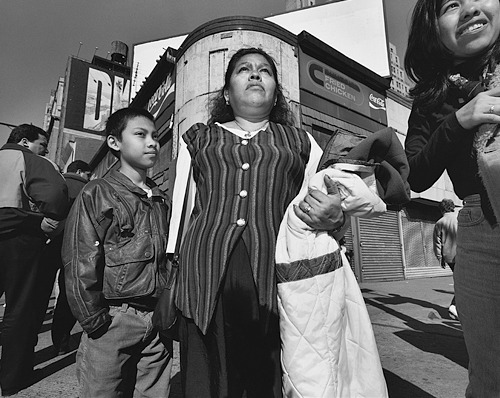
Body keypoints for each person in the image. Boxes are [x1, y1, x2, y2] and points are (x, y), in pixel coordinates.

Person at [168, 47, 344, 397]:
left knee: (268, 373)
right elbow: (182, 211)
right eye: (243, 70)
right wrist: (172, 271)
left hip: (274, 272)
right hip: (204, 272)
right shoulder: (199, 138)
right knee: (207, 375)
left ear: (276, 91)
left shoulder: (301, 142)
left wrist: (336, 218)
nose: (254, 74)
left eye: (264, 70)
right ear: (226, 93)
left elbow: (322, 207)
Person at [405, 1, 500, 395]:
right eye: (451, 4)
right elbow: (416, 173)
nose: (470, 9)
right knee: (490, 376)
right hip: (481, 231)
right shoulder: (432, 97)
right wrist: (459, 120)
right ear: (434, 28)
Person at [62, 108, 173, 397]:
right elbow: (79, 257)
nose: (152, 142)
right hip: (114, 318)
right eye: (140, 134)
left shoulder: (161, 198)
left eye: (155, 136)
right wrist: (94, 320)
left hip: (157, 321)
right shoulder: (97, 192)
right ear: (114, 143)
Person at [0, 124, 68, 396]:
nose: (47, 149)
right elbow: (55, 197)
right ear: (26, 142)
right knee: (19, 307)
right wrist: (46, 225)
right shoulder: (31, 160)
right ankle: (12, 378)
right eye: (43, 143)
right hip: (19, 240)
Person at [50, 160, 91, 354]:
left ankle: (26, 345)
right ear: (80, 172)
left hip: (49, 244)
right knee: (68, 296)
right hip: (74, 248)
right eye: (88, 174)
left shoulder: (54, 182)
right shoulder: (87, 189)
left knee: (37, 295)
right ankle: (62, 342)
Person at [433, 199, 458, 319]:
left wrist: (440, 258)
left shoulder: (439, 222)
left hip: (449, 257)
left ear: (442, 209)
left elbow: (437, 243)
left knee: (460, 280)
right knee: (463, 282)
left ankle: (456, 306)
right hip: (463, 254)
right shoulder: (459, 218)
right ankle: (454, 306)